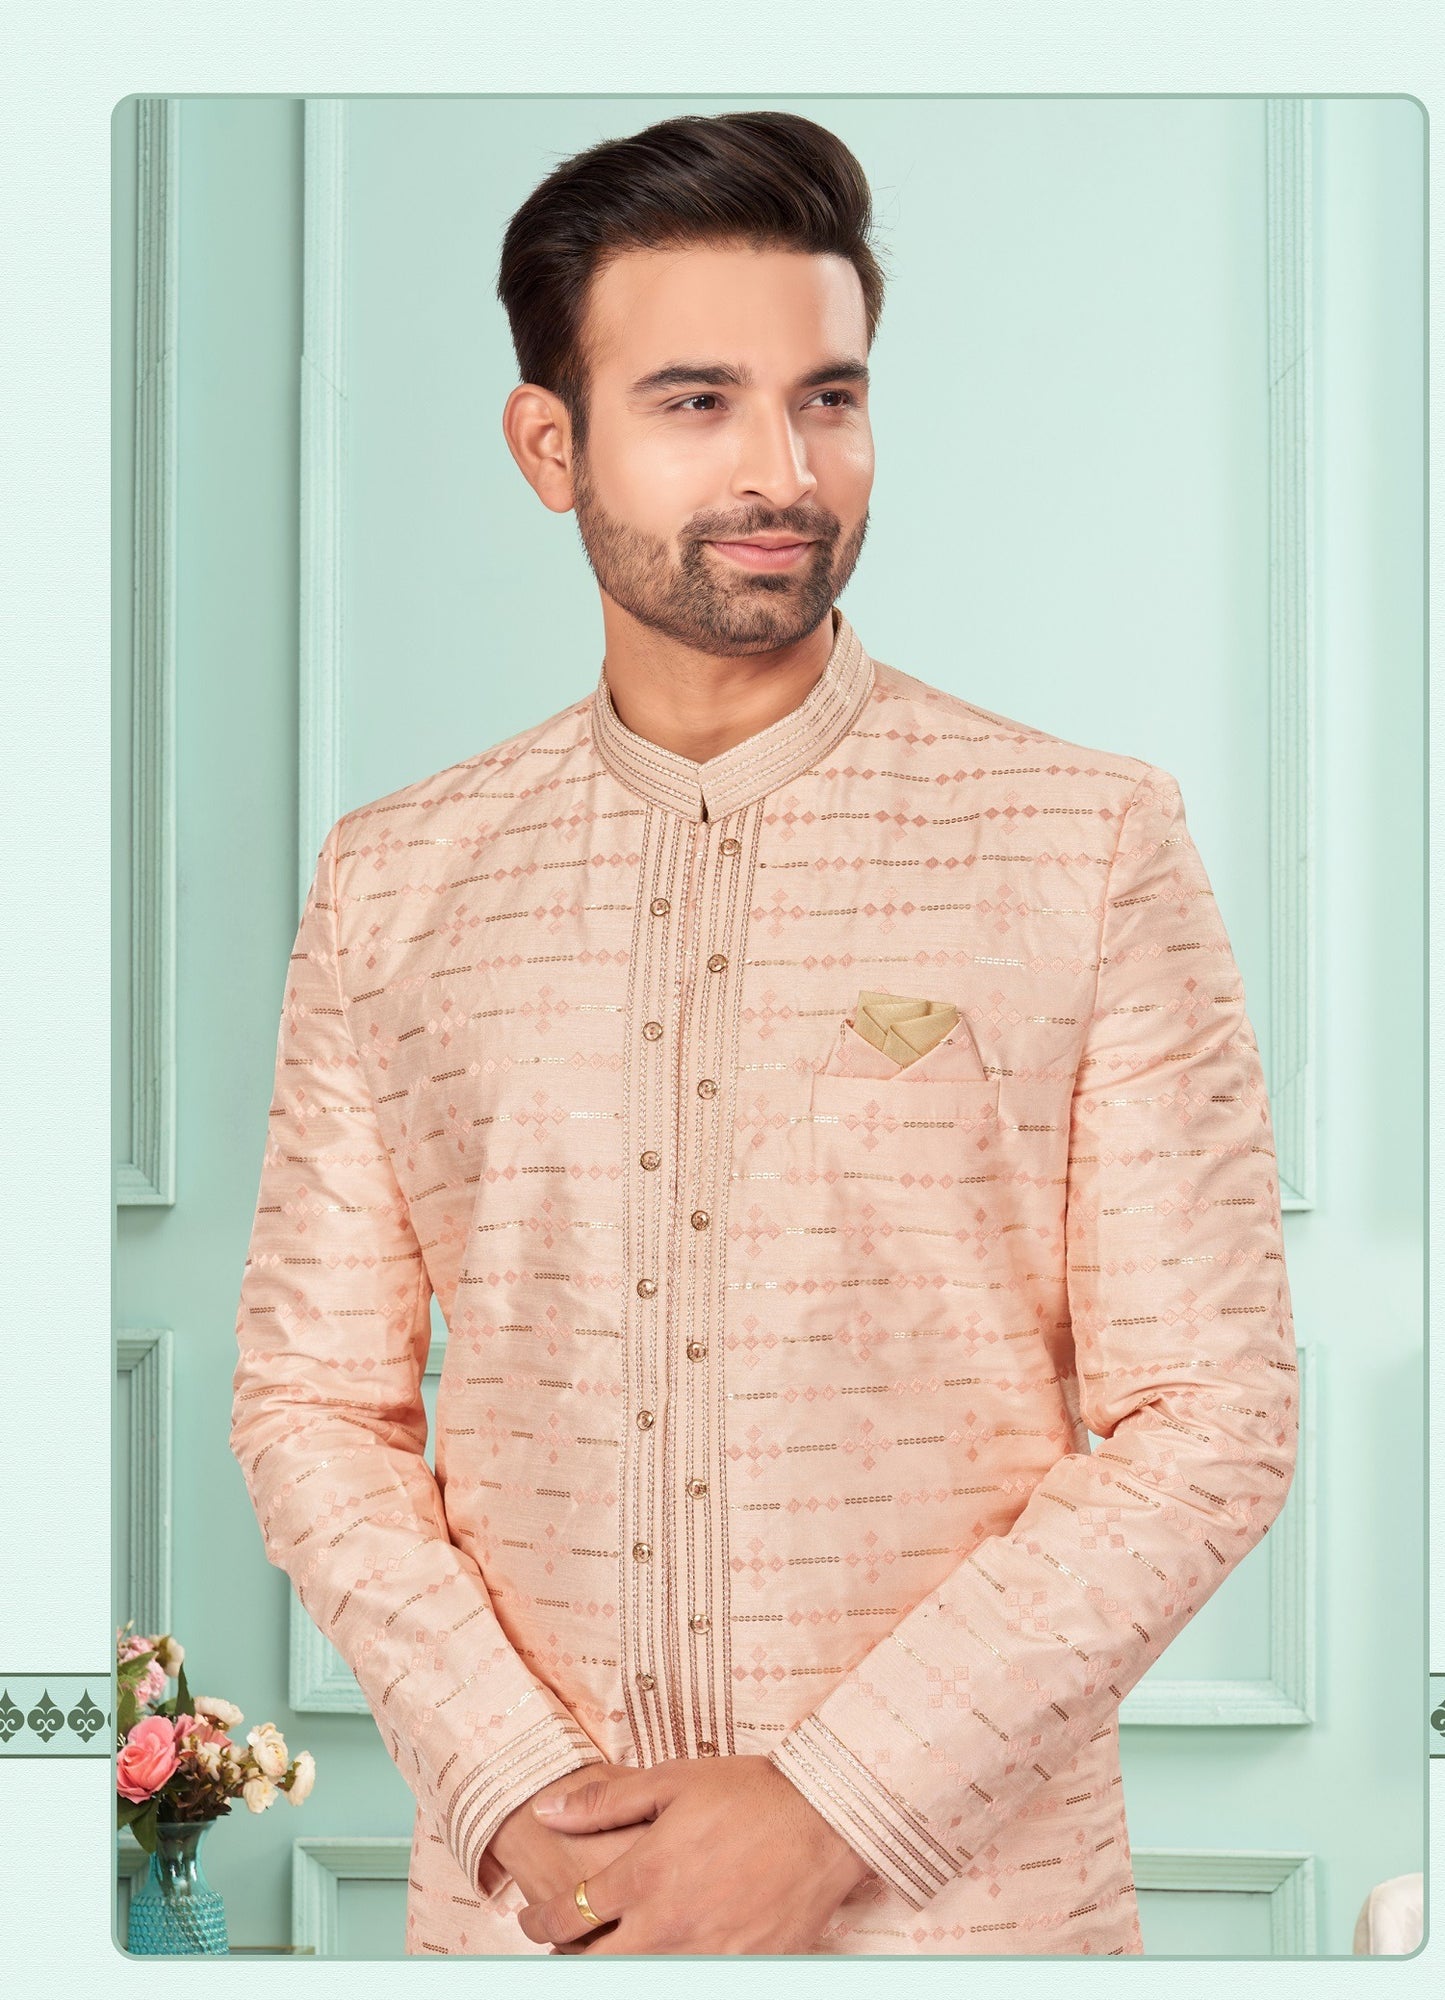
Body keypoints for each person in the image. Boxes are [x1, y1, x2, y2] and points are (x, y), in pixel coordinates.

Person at [229, 109, 1298, 1958]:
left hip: (966, 1921)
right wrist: (512, 1791)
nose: (783, 472)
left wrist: (830, 1809)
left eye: (828, 399)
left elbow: (1210, 1413)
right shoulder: (397, 882)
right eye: (696, 403)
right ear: (549, 444)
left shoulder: (1078, 841)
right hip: (535, 1913)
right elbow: (314, 1403)